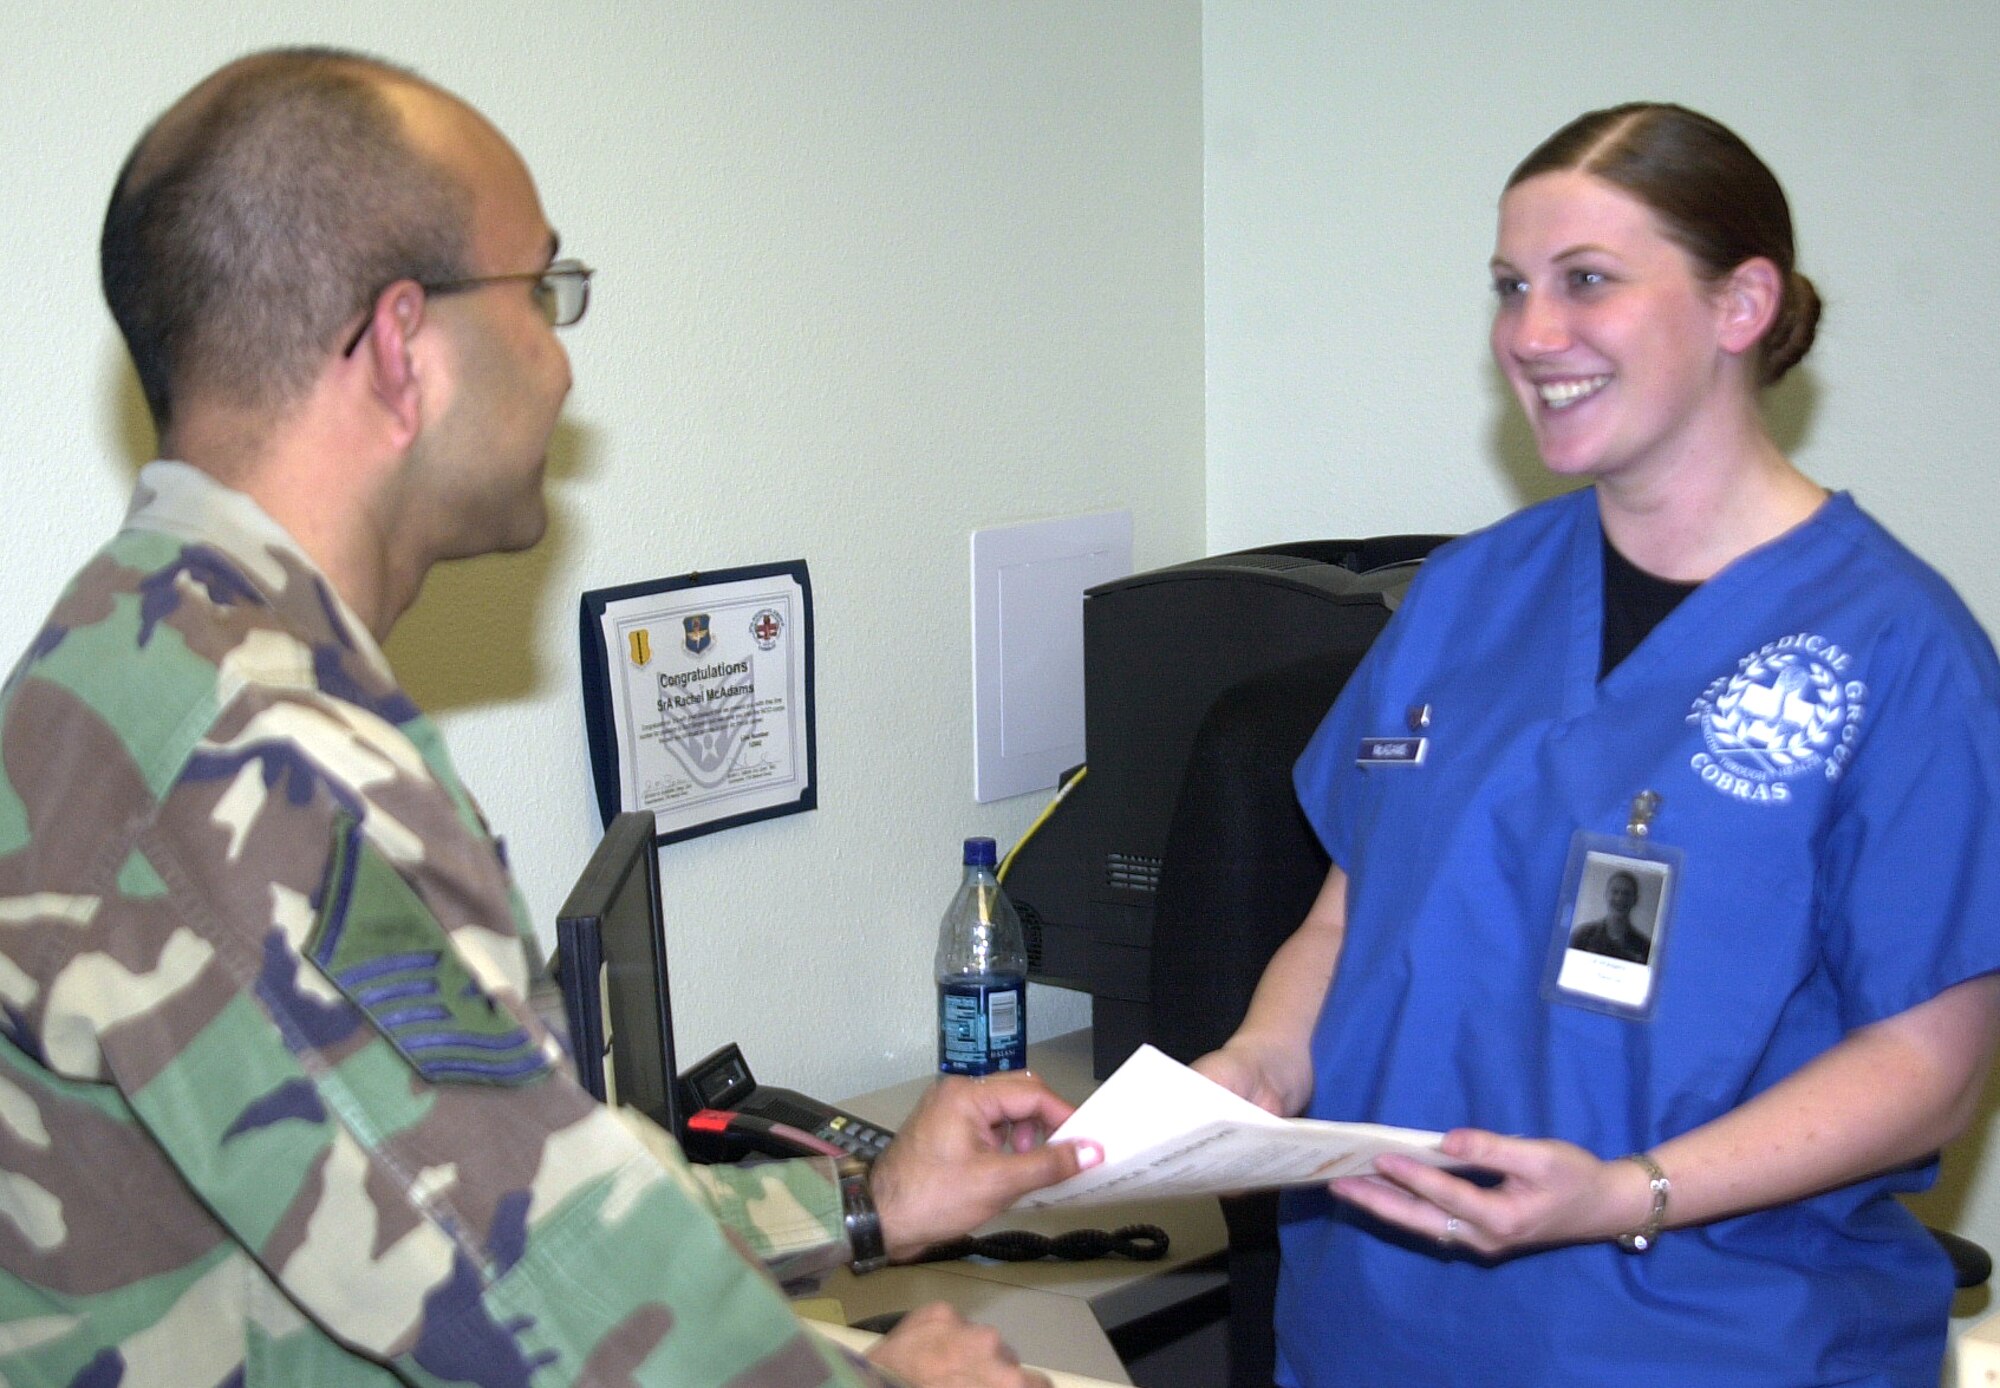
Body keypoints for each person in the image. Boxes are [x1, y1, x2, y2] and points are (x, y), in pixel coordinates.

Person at [0, 48, 1097, 1388]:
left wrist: (864, 1204)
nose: (564, 368)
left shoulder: (128, 652)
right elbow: (550, 1324)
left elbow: (492, 1215)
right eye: (544, 295)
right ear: (405, 346)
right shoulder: (258, 759)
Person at [1194, 102, 2000, 1387]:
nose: (1529, 334)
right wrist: (1256, 1062)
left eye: (1586, 283)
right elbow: (1348, 923)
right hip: (1376, 1330)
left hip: (1709, 1339)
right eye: (1511, 287)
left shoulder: (1895, 651)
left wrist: (1626, 1189)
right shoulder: (1463, 596)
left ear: (1741, 304)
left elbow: (1926, 1067)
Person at [1568, 868, 1649, 963]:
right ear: (1606, 895)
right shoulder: (1582, 937)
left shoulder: (1644, 947)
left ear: (1635, 900)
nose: (1620, 899)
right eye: (1615, 892)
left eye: (1626, 894)